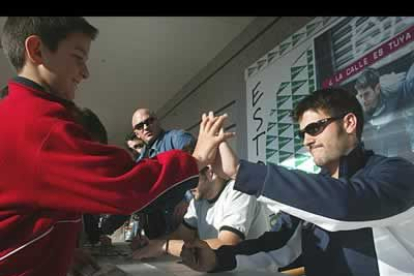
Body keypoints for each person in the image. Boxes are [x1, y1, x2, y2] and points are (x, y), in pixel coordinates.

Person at [0, 17, 233, 276]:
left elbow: (30, 214)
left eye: (149, 121)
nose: (85, 72)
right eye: (78, 57)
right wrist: (197, 158)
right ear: (37, 51)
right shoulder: (41, 125)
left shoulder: (16, 116)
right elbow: (125, 184)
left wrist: (59, 251)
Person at [180, 88, 414, 276]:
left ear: (349, 123)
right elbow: (277, 245)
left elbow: (346, 205)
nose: (307, 141)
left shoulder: (397, 173)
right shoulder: (313, 193)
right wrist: (217, 258)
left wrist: (241, 172)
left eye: (314, 128)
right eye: (301, 134)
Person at [131, 156, 269, 260]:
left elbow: (227, 243)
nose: (186, 186)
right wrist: (152, 244)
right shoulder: (198, 200)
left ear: (209, 172)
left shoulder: (240, 191)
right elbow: (181, 235)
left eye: (191, 178)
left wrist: (164, 247)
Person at [100, 108, 197, 241]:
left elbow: (200, 165)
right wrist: (102, 231)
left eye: (149, 121)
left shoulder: (177, 138)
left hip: (186, 225)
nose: (146, 127)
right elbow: (131, 200)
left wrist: (190, 201)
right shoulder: (141, 162)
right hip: (159, 235)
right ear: (137, 133)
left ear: (158, 121)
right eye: (140, 126)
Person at [355, 66, 414, 161]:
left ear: (377, 89)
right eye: (360, 95)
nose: (363, 100)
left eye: (366, 94)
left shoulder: (394, 89)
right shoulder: (358, 108)